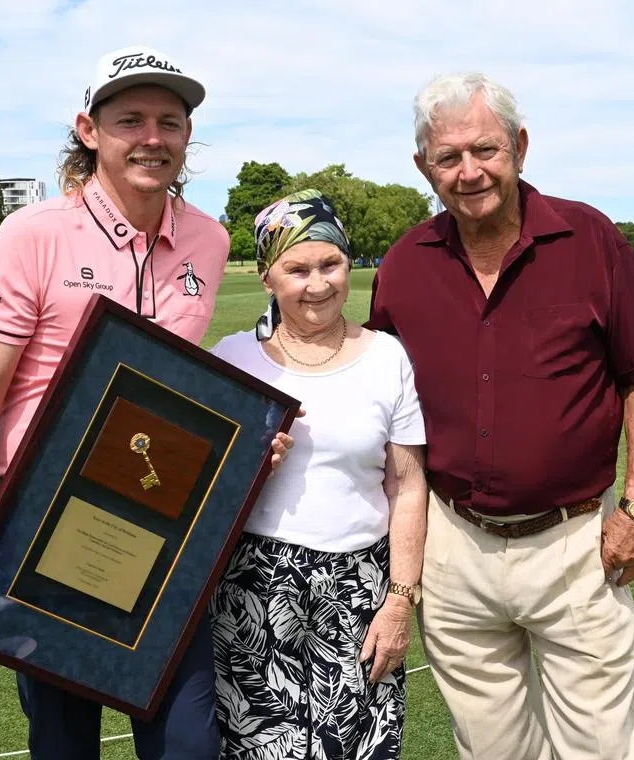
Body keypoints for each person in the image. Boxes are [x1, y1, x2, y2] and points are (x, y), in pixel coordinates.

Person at [0, 46, 292, 760]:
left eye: (169, 121)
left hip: (165, 513)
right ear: (89, 130)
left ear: (187, 136)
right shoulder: (32, 235)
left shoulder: (208, 241)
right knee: (63, 741)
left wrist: (246, 442)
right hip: (41, 515)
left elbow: (186, 390)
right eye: (131, 120)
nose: (152, 137)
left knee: (186, 741)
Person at [368, 73, 634, 760]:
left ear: (520, 148)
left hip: (574, 543)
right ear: (425, 167)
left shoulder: (590, 238)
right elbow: (376, 398)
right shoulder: (404, 264)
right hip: (453, 547)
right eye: (448, 158)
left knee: (607, 744)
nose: (469, 171)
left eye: (486, 149)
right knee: (491, 747)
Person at [209, 189, 428, 760]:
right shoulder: (233, 360)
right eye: (297, 268)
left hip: (361, 588)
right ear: (267, 278)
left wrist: (400, 600)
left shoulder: (388, 358)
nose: (318, 283)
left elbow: (406, 487)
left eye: (330, 263)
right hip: (254, 587)